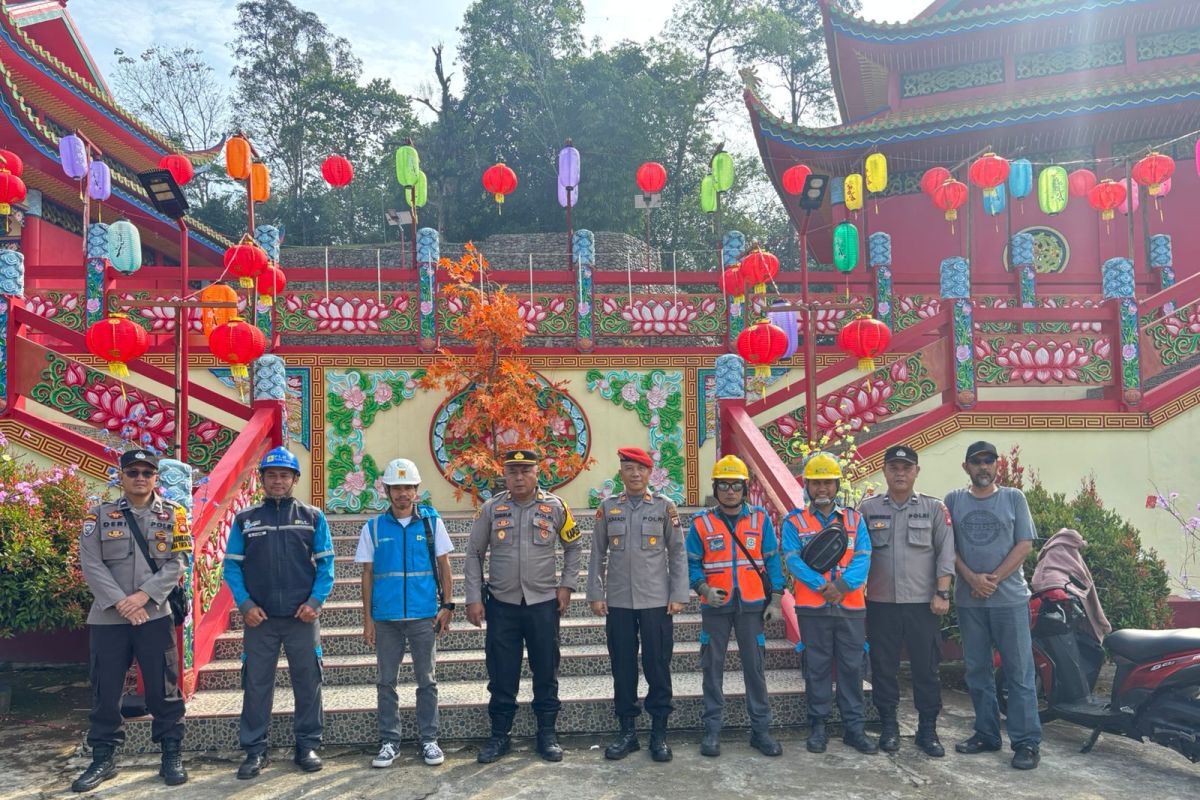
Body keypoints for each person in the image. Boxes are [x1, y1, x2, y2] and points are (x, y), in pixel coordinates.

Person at [73, 449, 189, 792]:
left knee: (163, 689)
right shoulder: (99, 515)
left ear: (156, 478)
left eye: (147, 472)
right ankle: (104, 758)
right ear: (121, 476)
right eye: (133, 471)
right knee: (105, 690)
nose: (140, 478)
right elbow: (91, 563)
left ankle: (171, 753)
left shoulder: (174, 515)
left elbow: (179, 560)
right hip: (109, 617)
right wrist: (123, 603)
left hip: (154, 614)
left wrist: (143, 597)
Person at [464, 449, 582, 763]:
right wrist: (474, 597)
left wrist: (567, 585)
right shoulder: (491, 509)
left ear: (536, 473)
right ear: (504, 474)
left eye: (525, 471)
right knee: (502, 673)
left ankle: (547, 734)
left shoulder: (555, 507)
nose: (519, 478)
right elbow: (474, 554)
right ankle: (500, 736)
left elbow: (574, 546)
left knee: (546, 670)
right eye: (512, 471)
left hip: (543, 604)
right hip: (502, 605)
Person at [224, 447, 335, 779]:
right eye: (271, 475)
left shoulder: (312, 517)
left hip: (302, 618)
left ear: (295, 479)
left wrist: (315, 603)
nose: (277, 481)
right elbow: (231, 569)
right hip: (261, 620)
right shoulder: (246, 519)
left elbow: (326, 565)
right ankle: (255, 750)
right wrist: (245, 605)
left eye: (284, 475)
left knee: (308, 681)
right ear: (263, 479)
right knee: (257, 684)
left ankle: (307, 745)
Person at [588, 447, 689, 762]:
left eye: (640, 469)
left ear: (650, 473)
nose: (634, 474)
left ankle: (659, 733)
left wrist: (678, 594)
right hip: (618, 601)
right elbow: (597, 554)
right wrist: (595, 593)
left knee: (658, 666)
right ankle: (627, 733)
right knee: (623, 667)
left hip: (656, 601)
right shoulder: (608, 508)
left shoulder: (664, 508)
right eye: (628, 468)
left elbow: (677, 553)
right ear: (621, 472)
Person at [945, 441, 1042, 770]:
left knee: (1019, 673)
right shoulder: (954, 500)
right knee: (977, 671)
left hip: (1009, 600)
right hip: (969, 601)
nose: (983, 467)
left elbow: (1025, 544)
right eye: (976, 462)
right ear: (966, 467)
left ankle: (1026, 742)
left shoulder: (1014, 498)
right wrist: (972, 580)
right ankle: (986, 733)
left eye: (989, 461)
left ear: (997, 466)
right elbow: (948, 547)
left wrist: (993, 580)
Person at [686, 454, 785, 758]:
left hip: (752, 607)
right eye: (724, 485)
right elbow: (692, 566)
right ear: (715, 488)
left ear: (745, 488)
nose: (730, 491)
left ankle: (761, 731)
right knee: (712, 668)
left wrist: (777, 600)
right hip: (715, 608)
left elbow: (772, 560)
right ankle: (712, 730)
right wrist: (702, 587)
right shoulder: (701, 523)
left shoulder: (760, 519)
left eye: (736, 485)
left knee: (754, 668)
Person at [358, 458, 455, 768]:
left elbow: (445, 565)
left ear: (417, 491)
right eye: (397, 488)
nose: (402, 493)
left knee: (426, 681)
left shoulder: (430, 524)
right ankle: (389, 741)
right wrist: (367, 620)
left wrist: (448, 605)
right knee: (386, 682)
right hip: (386, 620)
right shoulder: (372, 527)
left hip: (423, 615)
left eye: (408, 488)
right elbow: (367, 575)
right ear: (387, 491)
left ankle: (429, 740)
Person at [859, 445, 955, 756]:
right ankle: (889, 727)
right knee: (883, 668)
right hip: (880, 604)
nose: (900, 472)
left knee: (926, 668)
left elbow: (945, 553)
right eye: (894, 467)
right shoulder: (868, 509)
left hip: (922, 605)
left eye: (906, 467)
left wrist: (942, 593)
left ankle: (928, 730)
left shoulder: (933, 509)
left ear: (916, 471)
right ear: (884, 471)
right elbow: (857, 553)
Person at [782, 452, 876, 756]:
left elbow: (863, 556)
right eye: (816, 483)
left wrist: (843, 586)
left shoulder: (854, 519)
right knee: (817, 667)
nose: (822, 488)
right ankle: (818, 726)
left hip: (849, 606)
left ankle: (854, 728)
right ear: (807, 486)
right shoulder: (794, 521)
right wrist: (821, 586)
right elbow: (792, 560)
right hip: (812, 606)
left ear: (836, 485)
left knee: (852, 667)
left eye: (827, 482)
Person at [1031, 527, 1111, 693]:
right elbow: (1058, 580)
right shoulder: (1063, 554)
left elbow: (1050, 579)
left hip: (1060, 619)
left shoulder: (1054, 554)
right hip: (1060, 618)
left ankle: (1078, 694)